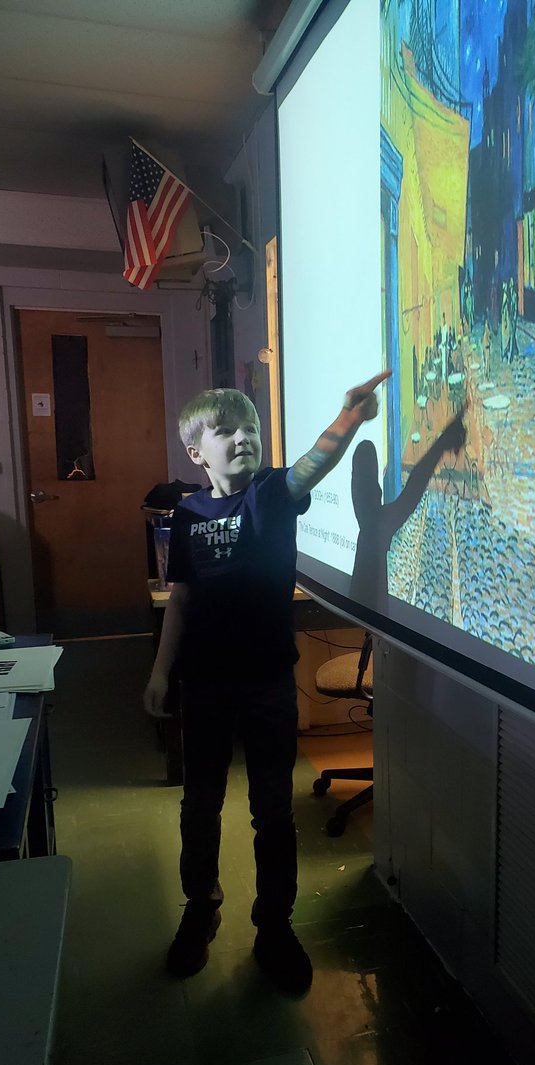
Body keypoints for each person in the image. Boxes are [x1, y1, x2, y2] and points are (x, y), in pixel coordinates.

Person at [143, 372, 389, 989]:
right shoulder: (187, 512)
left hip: (268, 683)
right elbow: (181, 601)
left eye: (250, 428)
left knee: (272, 811)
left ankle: (274, 926)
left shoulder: (273, 493)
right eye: (226, 431)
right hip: (205, 684)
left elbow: (312, 464)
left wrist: (348, 417)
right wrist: (160, 671)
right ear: (197, 452)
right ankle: (200, 908)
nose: (243, 438)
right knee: (199, 805)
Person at [349, 405, 468, 613]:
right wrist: (442, 443)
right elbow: (415, 484)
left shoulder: (367, 527)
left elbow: (413, 485)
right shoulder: (377, 528)